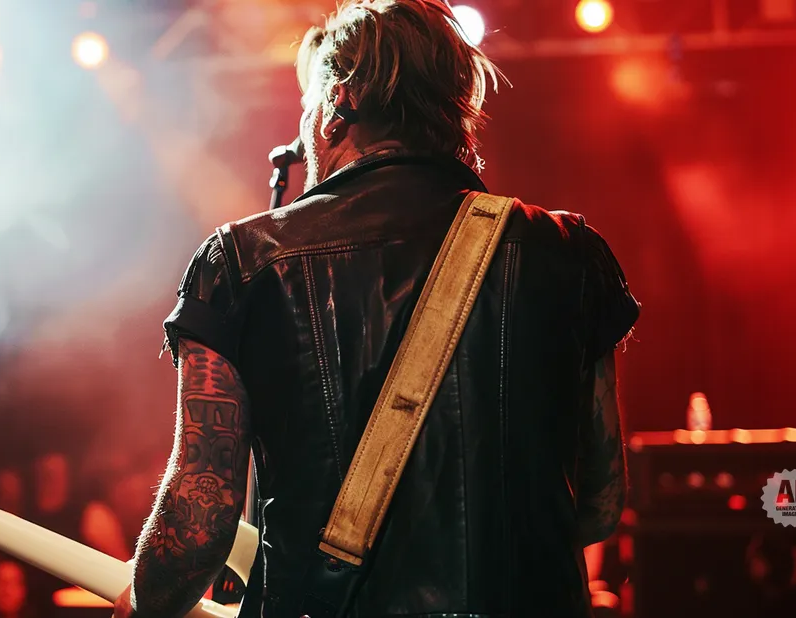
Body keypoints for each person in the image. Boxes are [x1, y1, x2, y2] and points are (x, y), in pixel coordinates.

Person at [113, 1, 639, 617]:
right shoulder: (568, 254)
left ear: (337, 102)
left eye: (306, 103)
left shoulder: (245, 261)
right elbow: (600, 501)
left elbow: (198, 521)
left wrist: (143, 603)